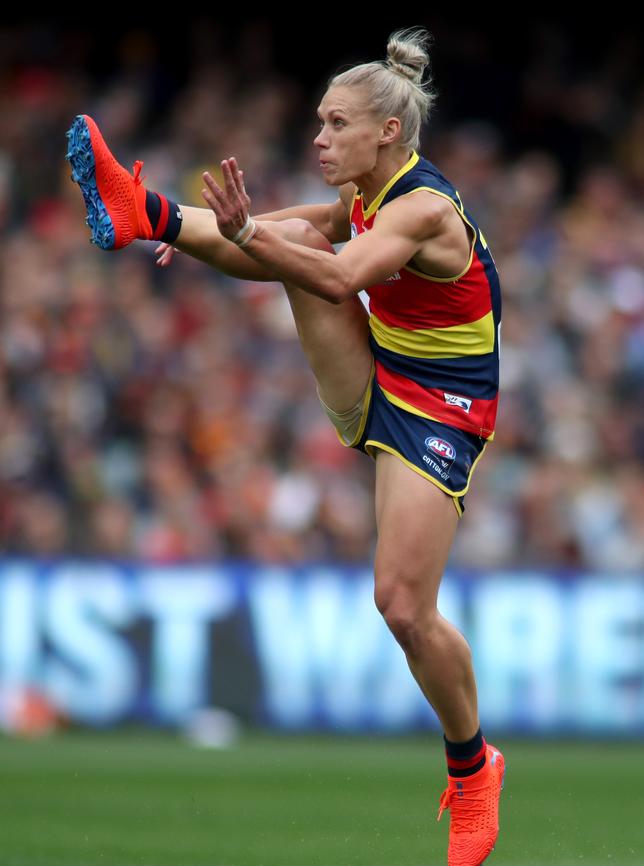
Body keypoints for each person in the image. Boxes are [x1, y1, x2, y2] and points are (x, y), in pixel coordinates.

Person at [65, 25, 505, 866]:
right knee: (289, 237)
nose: (319, 137)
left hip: (446, 408)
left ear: (388, 132)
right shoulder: (372, 197)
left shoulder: (422, 206)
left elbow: (342, 278)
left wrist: (233, 234)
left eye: (336, 124)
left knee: (402, 607)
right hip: (384, 375)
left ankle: (474, 767)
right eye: (318, 121)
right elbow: (314, 227)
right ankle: (138, 210)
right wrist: (205, 231)